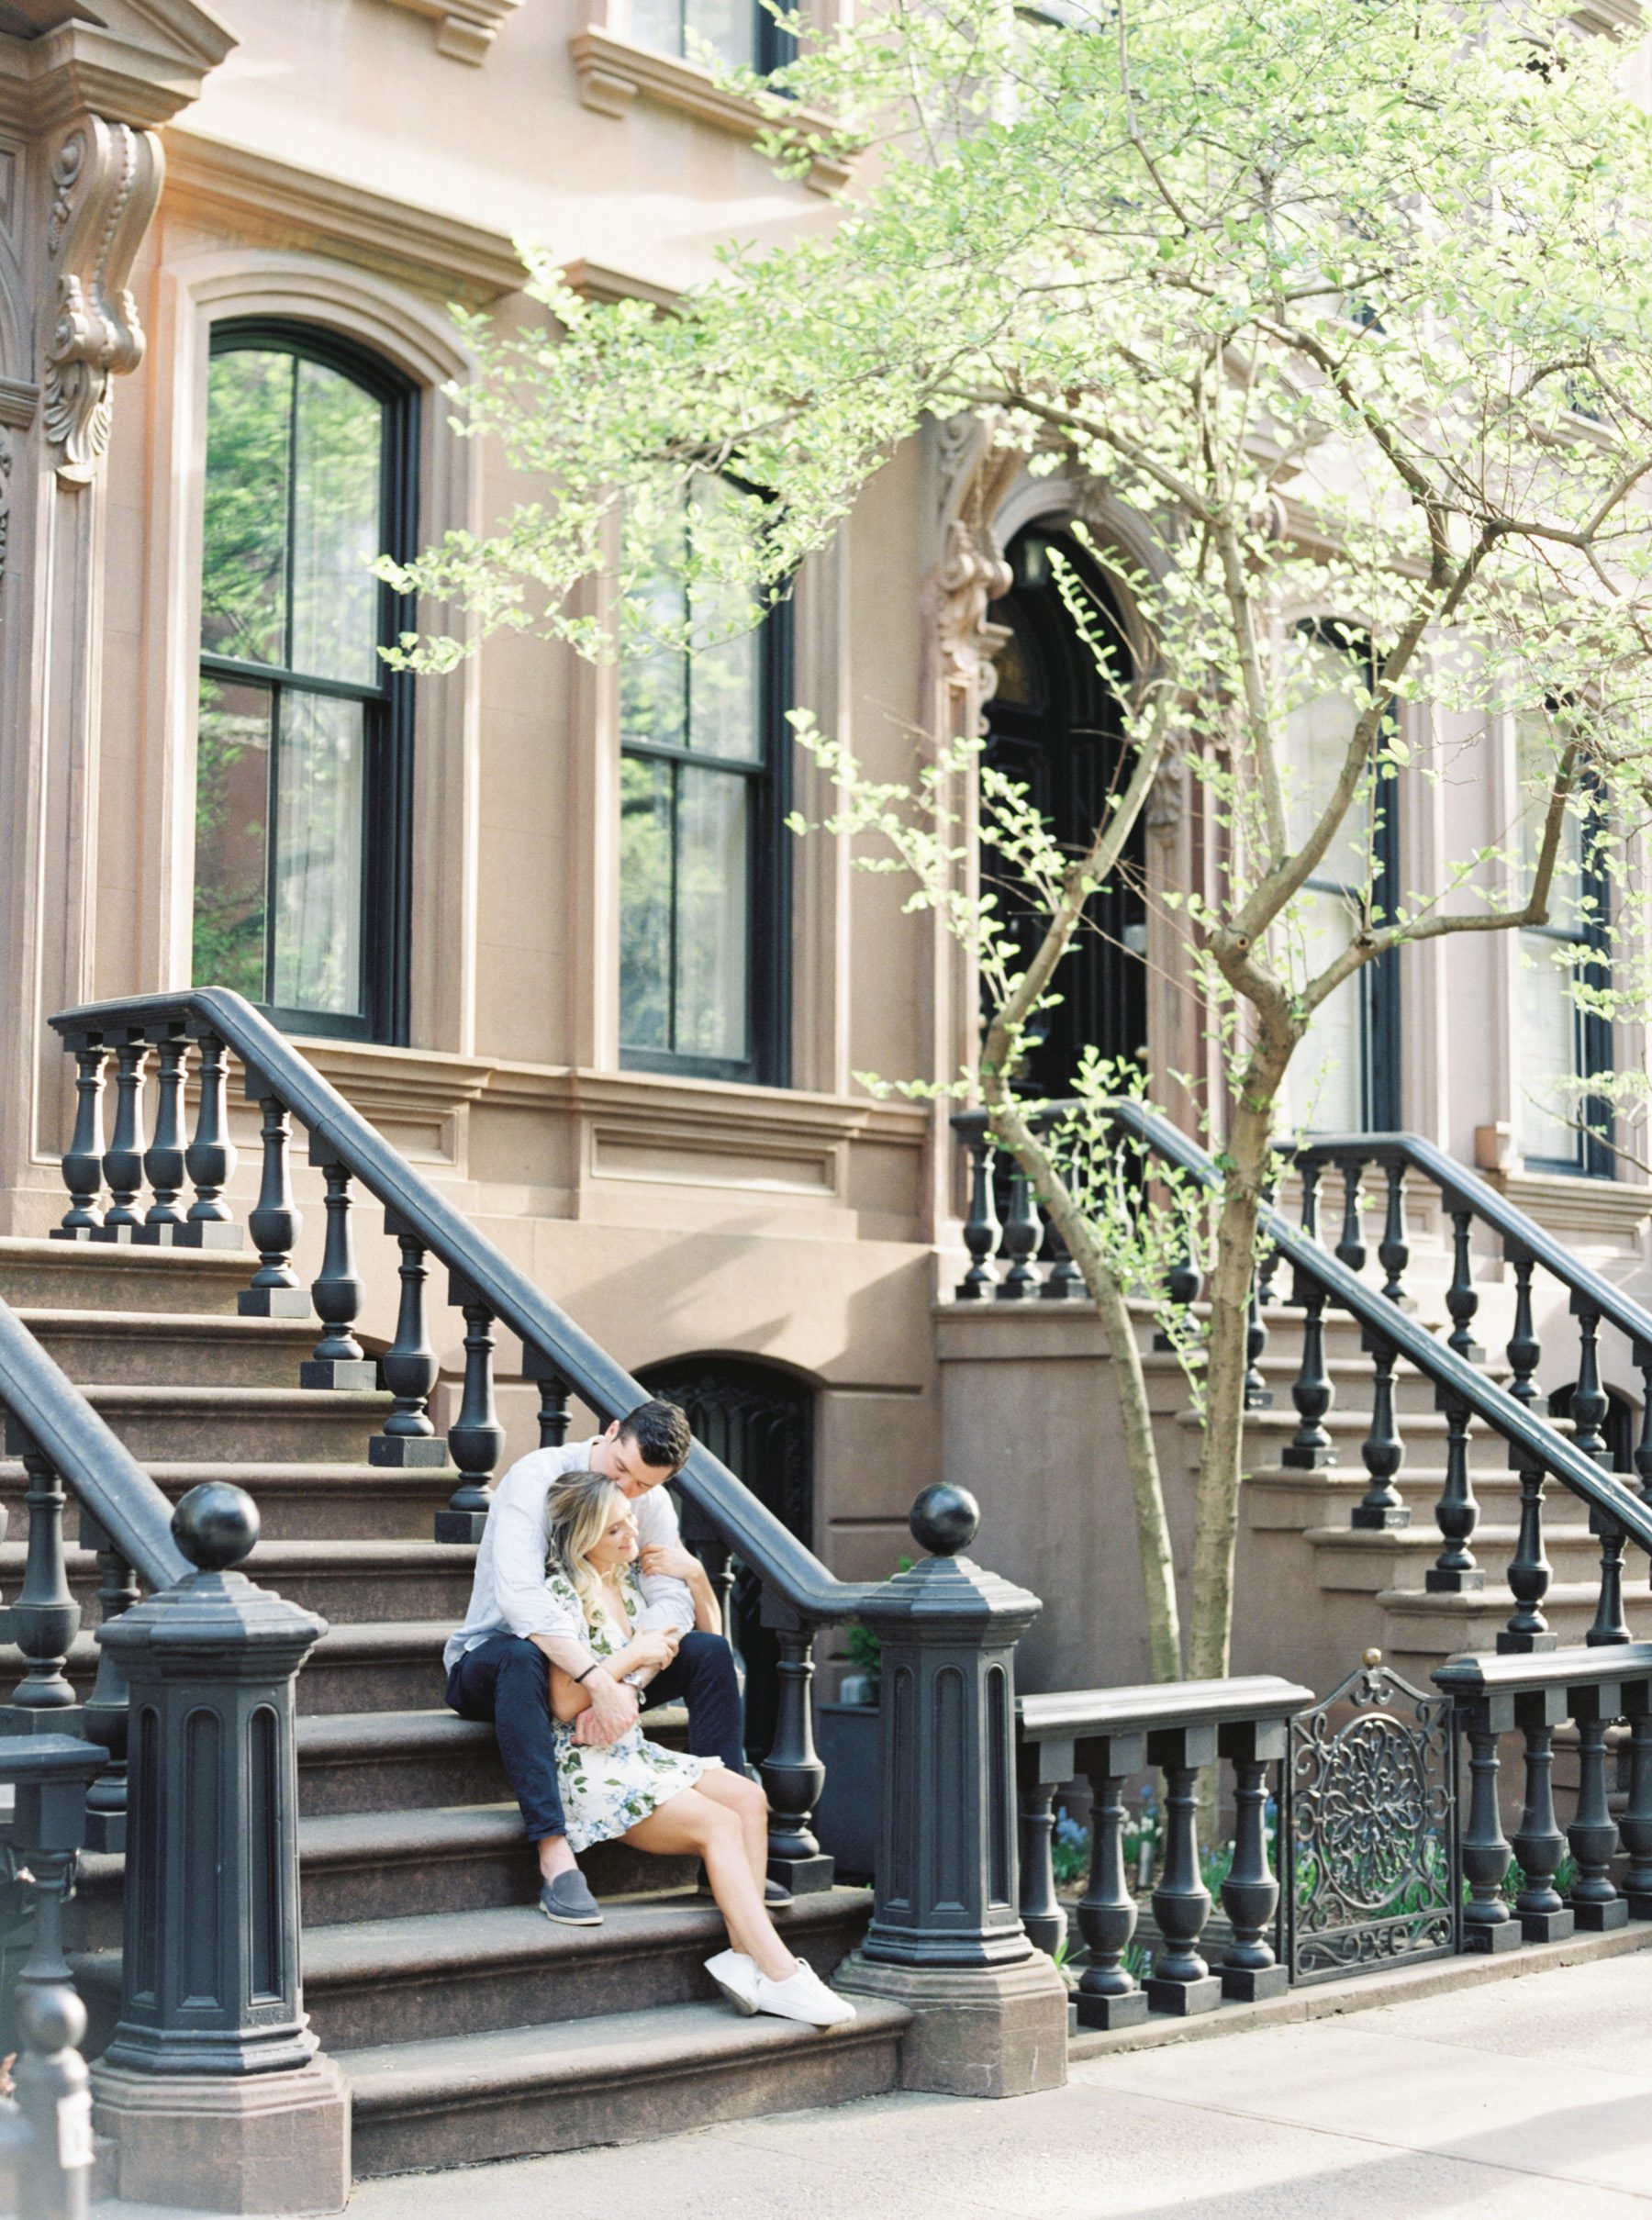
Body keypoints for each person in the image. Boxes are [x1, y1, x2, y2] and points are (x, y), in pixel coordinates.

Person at [443, 1398, 783, 1926]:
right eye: (622, 1470)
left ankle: (728, 1854)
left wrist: (635, 1676)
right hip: (495, 1662)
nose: (629, 1491)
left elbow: (669, 1602)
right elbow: (521, 1599)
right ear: (611, 1431)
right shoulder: (538, 1478)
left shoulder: (648, 1503)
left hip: (606, 1665)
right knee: (523, 1655)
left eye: (644, 1485)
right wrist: (600, 1680)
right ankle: (555, 1855)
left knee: (709, 1653)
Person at [541, 1471, 854, 2029]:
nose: (631, 1535)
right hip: (587, 1767)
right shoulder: (563, 1593)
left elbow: (716, 1654)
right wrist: (633, 1652)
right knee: (717, 1824)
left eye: (630, 1520)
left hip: (632, 1753)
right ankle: (781, 1971)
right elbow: (564, 1703)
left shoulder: (631, 1584)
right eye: (614, 1528)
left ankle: (742, 1959)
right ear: (584, 1537)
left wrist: (699, 1583)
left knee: (749, 1800)